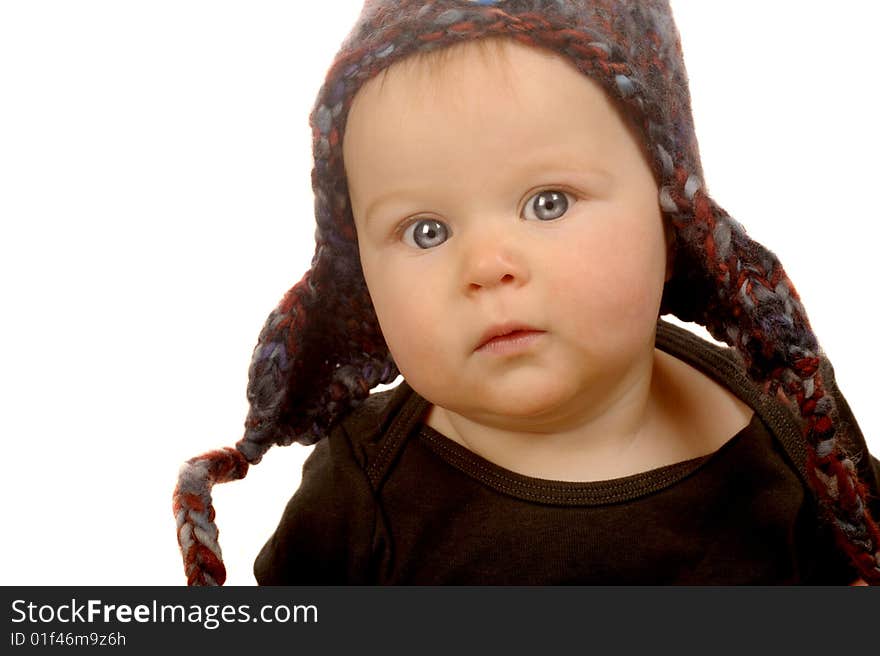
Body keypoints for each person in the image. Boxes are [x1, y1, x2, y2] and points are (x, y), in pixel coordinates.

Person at [173, 0, 880, 585]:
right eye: (424, 231)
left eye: (548, 203)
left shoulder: (793, 429)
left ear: (673, 226)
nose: (486, 265)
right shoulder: (360, 494)